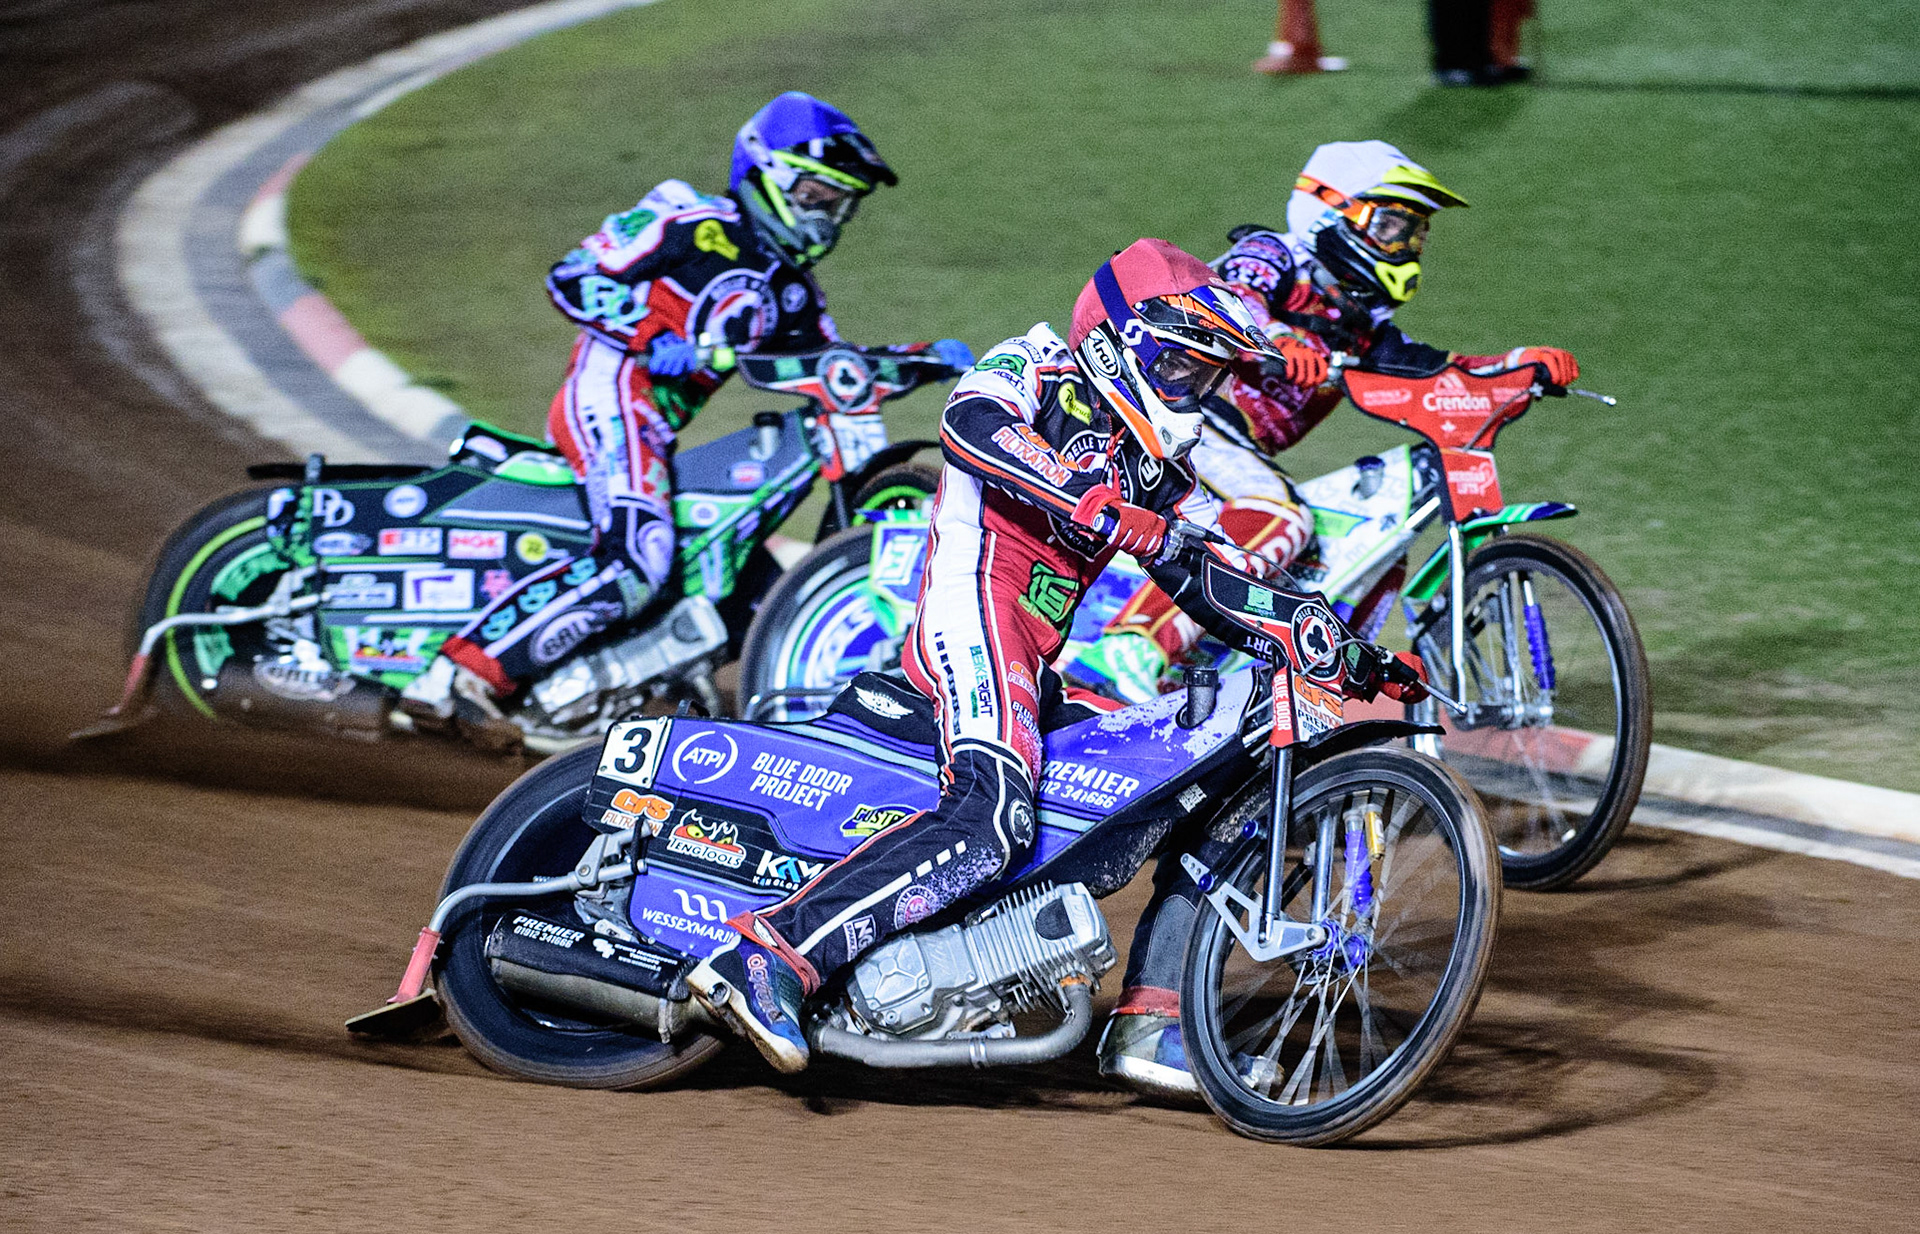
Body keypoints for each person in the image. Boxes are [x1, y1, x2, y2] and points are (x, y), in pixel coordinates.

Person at [685, 239, 1336, 1072]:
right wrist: (1100, 507)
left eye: (1209, 378)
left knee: (1210, 766)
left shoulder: (1153, 463)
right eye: (1185, 369)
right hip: (971, 612)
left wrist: (1330, 642)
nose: (1197, 393)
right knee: (995, 818)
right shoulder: (1035, 363)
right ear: (1124, 340)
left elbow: (1208, 580)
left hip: (1034, 658)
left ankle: (1151, 1017)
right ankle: (767, 954)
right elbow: (970, 428)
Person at [1084, 140, 1577, 1099]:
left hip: (1208, 449)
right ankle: (1131, 643)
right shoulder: (1276, 257)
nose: (1408, 242)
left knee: (1313, 564)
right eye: (1394, 221)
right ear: (1329, 211)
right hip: (1181, 424)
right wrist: (1270, 333)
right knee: (1281, 520)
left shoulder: (1363, 309)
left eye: (1416, 227)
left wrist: (1511, 370)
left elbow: (1423, 372)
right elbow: (1225, 294)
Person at [401, 92, 973, 749]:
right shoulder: (688, 217)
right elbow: (573, 276)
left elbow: (821, 365)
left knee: (748, 593)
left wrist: (918, 360)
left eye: (843, 205)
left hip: (658, 425)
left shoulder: (790, 291)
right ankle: (458, 673)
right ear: (772, 174)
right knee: (639, 554)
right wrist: (647, 336)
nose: (831, 218)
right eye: (820, 195)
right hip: (614, 387)